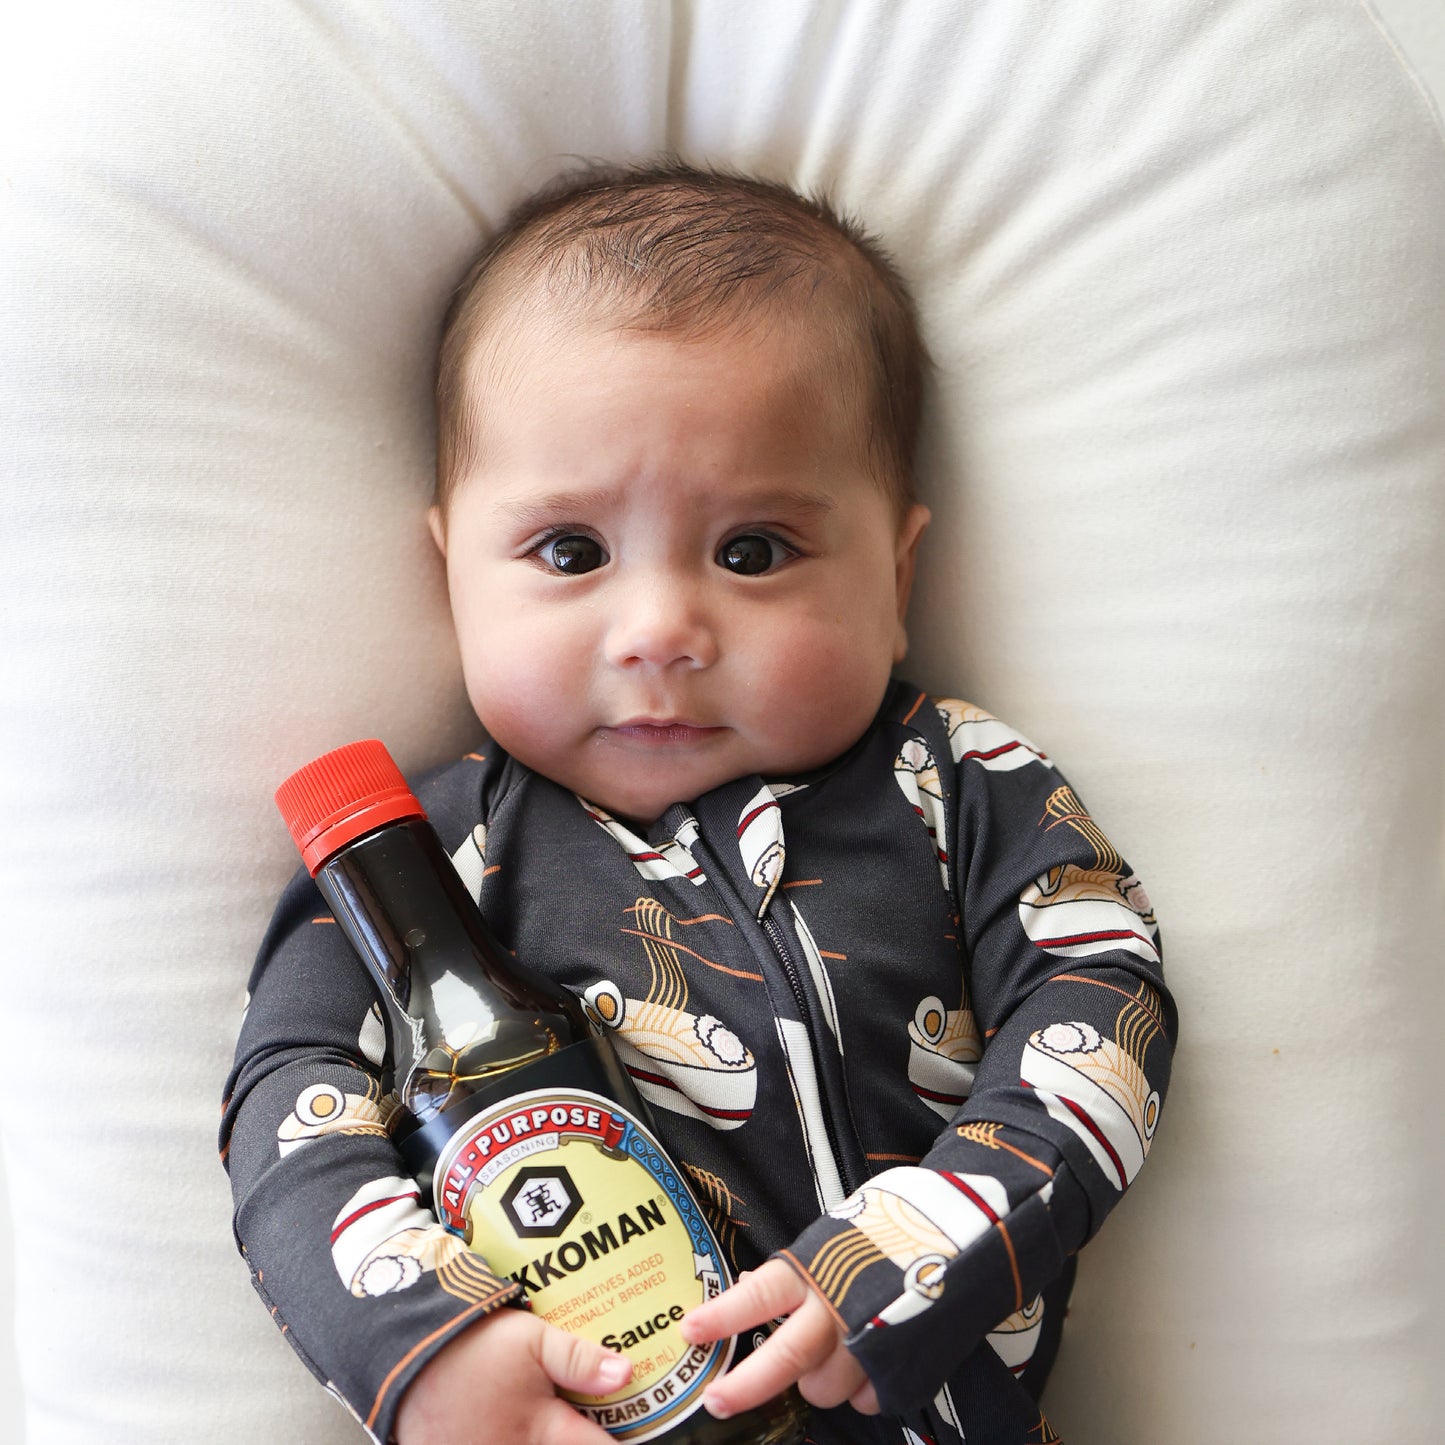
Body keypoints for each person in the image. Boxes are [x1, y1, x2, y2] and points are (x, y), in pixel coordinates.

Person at [221, 159, 1176, 1445]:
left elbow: (1098, 990)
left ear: (896, 576)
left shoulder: (962, 781)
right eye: (570, 551)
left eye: (752, 550)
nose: (661, 628)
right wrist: (420, 1349)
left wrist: (935, 1225)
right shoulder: (419, 860)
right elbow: (290, 1101)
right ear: (452, 570)